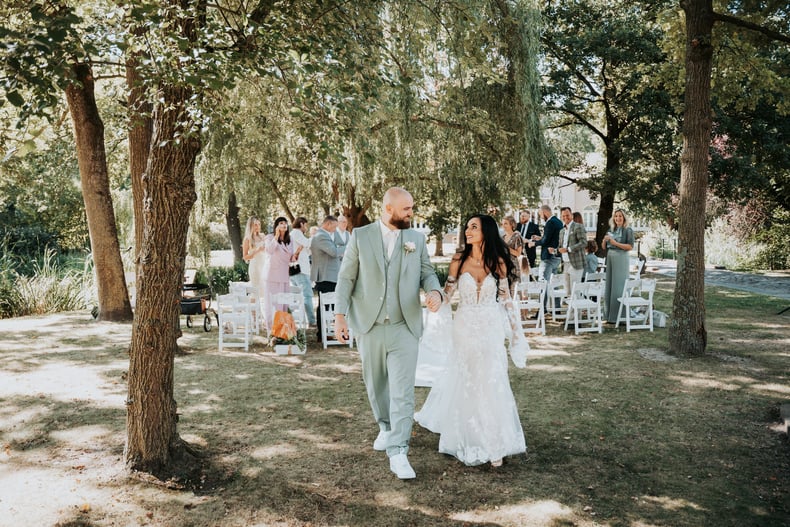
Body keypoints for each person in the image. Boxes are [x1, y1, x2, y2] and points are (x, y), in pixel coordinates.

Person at [334, 187, 443, 480]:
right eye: (406, 209)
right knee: (376, 384)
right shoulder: (361, 236)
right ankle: (385, 427)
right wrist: (340, 316)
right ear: (388, 208)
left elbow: (428, 273)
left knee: (403, 391)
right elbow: (346, 278)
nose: (411, 213)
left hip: (404, 326)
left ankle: (398, 451)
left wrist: (434, 291)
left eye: (411, 207)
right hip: (369, 325)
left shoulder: (416, 239)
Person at [415, 214, 527, 468]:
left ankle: (494, 442)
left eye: (473, 227)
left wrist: (516, 333)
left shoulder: (498, 262)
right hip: (464, 327)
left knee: (491, 379)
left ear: (486, 231)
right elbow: (449, 292)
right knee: (469, 380)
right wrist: (436, 300)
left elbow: (507, 299)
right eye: (467, 227)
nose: (468, 231)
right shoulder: (458, 260)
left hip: (490, 327)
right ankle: (467, 436)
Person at [310, 215, 345, 340]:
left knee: (331, 304)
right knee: (325, 305)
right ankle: (323, 333)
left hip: (331, 275)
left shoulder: (328, 235)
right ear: (328, 224)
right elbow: (334, 252)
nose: (336, 229)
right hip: (325, 275)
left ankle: (330, 331)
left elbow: (341, 243)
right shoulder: (321, 236)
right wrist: (350, 246)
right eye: (334, 226)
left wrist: (338, 241)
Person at [263, 217, 297, 329]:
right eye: (281, 223)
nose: (284, 225)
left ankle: (283, 331)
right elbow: (269, 250)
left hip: (284, 275)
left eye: (285, 223)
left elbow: (290, 258)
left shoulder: (290, 239)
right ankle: (271, 330)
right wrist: (276, 236)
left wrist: (296, 254)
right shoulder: (269, 237)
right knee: (272, 304)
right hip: (272, 276)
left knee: (283, 303)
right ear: (276, 225)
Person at [602, 208, 634, 323]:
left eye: (620, 216)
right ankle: (609, 315)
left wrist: (615, 243)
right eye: (616, 216)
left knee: (619, 286)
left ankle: (619, 316)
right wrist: (605, 241)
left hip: (621, 257)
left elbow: (630, 247)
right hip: (610, 257)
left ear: (624, 218)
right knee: (610, 284)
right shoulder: (611, 229)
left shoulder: (628, 230)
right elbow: (604, 247)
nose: (618, 218)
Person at [528, 205, 563, 293]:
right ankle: (557, 305)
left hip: (548, 257)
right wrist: (540, 238)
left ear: (545, 212)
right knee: (554, 283)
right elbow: (552, 239)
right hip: (557, 256)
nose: (541, 217)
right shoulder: (559, 222)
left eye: (540, 215)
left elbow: (546, 241)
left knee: (543, 282)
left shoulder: (550, 222)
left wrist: (534, 243)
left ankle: (543, 306)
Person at [289, 217, 317, 326]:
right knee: (307, 295)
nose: (306, 228)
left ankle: (301, 320)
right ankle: (311, 321)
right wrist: (314, 236)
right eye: (305, 225)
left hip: (298, 269)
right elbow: (308, 243)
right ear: (301, 224)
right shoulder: (296, 233)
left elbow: (307, 250)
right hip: (300, 270)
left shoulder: (294, 235)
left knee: (300, 296)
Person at [557, 206, 588, 294]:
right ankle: (572, 308)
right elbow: (560, 246)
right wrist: (555, 250)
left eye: (567, 215)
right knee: (568, 291)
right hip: (565, 263)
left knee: (575, 291)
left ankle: (578, 307)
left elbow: (583, 242)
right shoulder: (562, 231)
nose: (565, 217)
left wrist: (569, 249)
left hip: (576, 263)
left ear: (572, 215)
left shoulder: (578, 226)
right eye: (563, 216)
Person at [242, 217, 267, 294]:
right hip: (255, 268)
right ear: (250, 226)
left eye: (259, 224)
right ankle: (252, 306)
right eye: (255, 225)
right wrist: (257, 250)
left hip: (265, 266)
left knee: (266, 291)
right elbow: (245, 257)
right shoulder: (247, 239)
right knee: (256, 292)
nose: (258, 227)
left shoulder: (262, 236)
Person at [501, 215, 523, 294]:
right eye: (502, 224)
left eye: (506, 223)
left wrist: (507, 249)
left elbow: (518, 253)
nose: (503, 226)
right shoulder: (502, 238)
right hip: (503, 266)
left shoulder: (517, 237)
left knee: (514, 291)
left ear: (512, 225)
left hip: (513, 266)